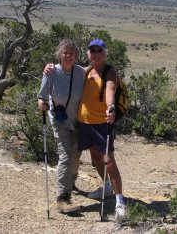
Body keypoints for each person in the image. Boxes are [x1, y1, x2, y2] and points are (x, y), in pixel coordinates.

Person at [78, 39, 127, 222]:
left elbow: (110, 91)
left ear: (105, 53)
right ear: (88, 53)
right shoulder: (86, 70)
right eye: (92, 50)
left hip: (101, 123)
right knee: (96, 157)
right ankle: (106, 186)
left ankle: (120, 201)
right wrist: (49, 68)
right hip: (84, 123)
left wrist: (111, 108)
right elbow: (65, 70)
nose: (96, 54)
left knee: (108, 160)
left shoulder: (110, 71)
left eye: (99, 50)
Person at [37, 39, 85, 213]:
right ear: (59, 54)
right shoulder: (51, 72)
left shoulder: (81, 72)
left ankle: (70, 184)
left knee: (75, 156)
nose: (68, 55)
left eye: (71, 53)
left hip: (78, 121)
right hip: (60, 121)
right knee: (65, 156)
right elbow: (41, 96)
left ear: (76, 56)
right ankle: (62, 199)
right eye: (65, 52)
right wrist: (41, 103)